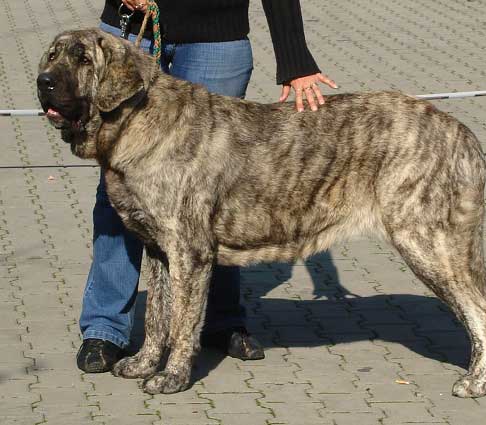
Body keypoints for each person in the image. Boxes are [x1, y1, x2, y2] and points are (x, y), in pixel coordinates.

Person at [77, 0, 337, 373]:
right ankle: (105, 328)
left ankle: (221, 321)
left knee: (218, 188)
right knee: (118, 193)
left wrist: (295, 58)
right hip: (129, 32)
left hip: (216, 39)